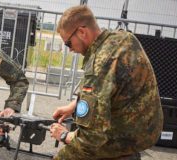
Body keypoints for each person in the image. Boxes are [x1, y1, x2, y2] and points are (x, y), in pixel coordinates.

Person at [49, 5, 163, 160]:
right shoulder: (124, 38)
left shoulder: (99, 65)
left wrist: (64, 135)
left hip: (126, 137)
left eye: (68, 43)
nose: (69, 49)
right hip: (148, 129)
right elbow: (111, 87)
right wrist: (74, 105)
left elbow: (89, 142)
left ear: (82, 32)